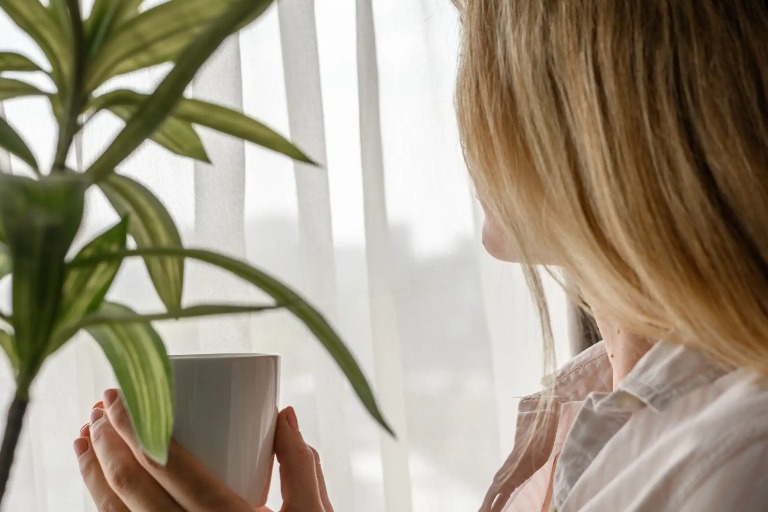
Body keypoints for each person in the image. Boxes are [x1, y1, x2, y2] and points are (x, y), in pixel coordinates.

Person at [74, 0, 768, 510]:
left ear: (587, 94)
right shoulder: (592, 416)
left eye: (479, 45)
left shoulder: (737, 458)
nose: (465, 107)